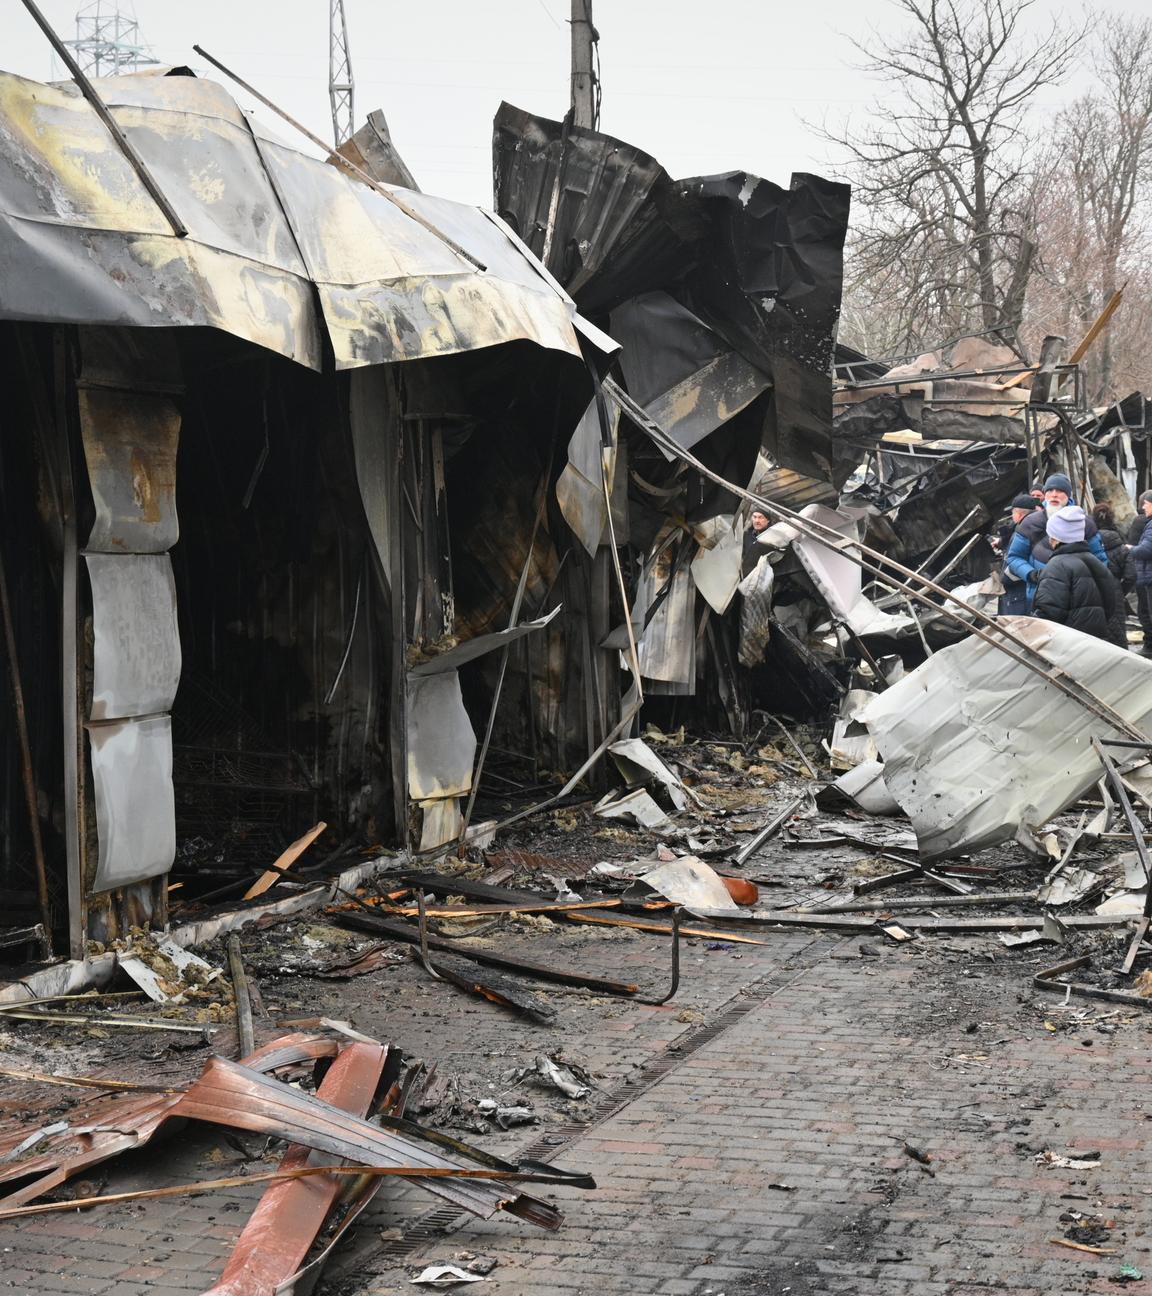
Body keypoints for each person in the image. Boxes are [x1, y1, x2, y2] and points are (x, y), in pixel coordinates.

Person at [1004, 473, 1107, 606]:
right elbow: (1014, 557)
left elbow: (1100, 560)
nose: (1054, 495)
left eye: (1059, 490)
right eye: (1050, 490)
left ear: (1068, 495)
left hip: (1077, 597)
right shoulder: (1030, 523)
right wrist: (1031, 574)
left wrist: (1087, 584)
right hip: (1039, 594)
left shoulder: (1084, 523)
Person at [1034, 506, 1125, 646]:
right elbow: (1110, 605)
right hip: (1095, 643)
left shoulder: (1056, 565)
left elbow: (1048, 612)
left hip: (1067, 644)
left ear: (1056, 538)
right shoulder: (1097, 563)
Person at [997, 495, 1041, 616]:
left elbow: (1016, 559)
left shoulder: (1022, 531)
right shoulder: (1038, 526)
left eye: (1012, 513)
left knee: (1015, 623)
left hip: (1018, 589)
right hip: (1029, 585)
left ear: (1018, 514)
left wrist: (1004, 579)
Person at [1128, 490, 1152, 656]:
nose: (1143, 507)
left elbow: (1145, 549)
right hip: (1145, 575)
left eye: (1146, 504)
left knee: (1145, 611)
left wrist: (1130, 549)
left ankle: (1149, 646)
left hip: (1146, 575)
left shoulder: (1143, 522)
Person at [742, 508, 770, 577]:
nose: (757, 521)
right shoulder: (746, 536)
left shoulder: (772, 539)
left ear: (768, 520)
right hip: (744, 576)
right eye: (754, 517)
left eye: (761, 517)